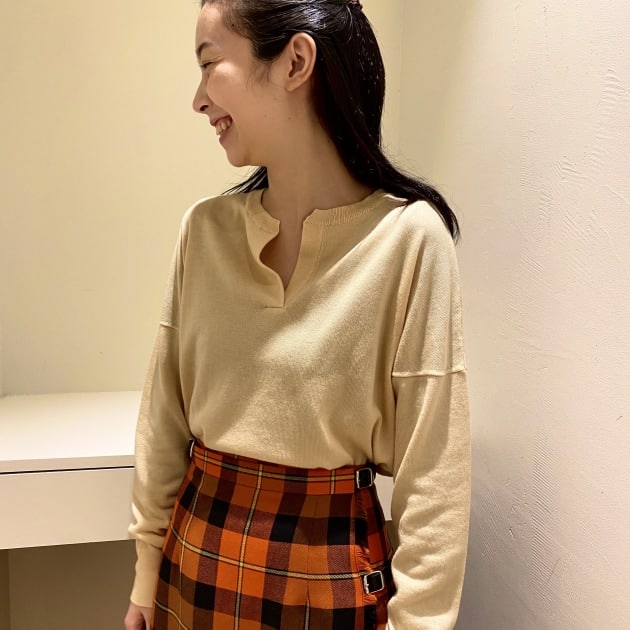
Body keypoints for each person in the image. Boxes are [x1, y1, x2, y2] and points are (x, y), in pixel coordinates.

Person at [124, 0, 470, 628]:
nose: (198, 100)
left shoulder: (410, 240)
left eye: (209, 64)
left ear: (295, 62)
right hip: (194, 568)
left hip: (329, 587)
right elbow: (164, 421)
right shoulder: (204, 231)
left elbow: (434, 483)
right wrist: (147, 574)